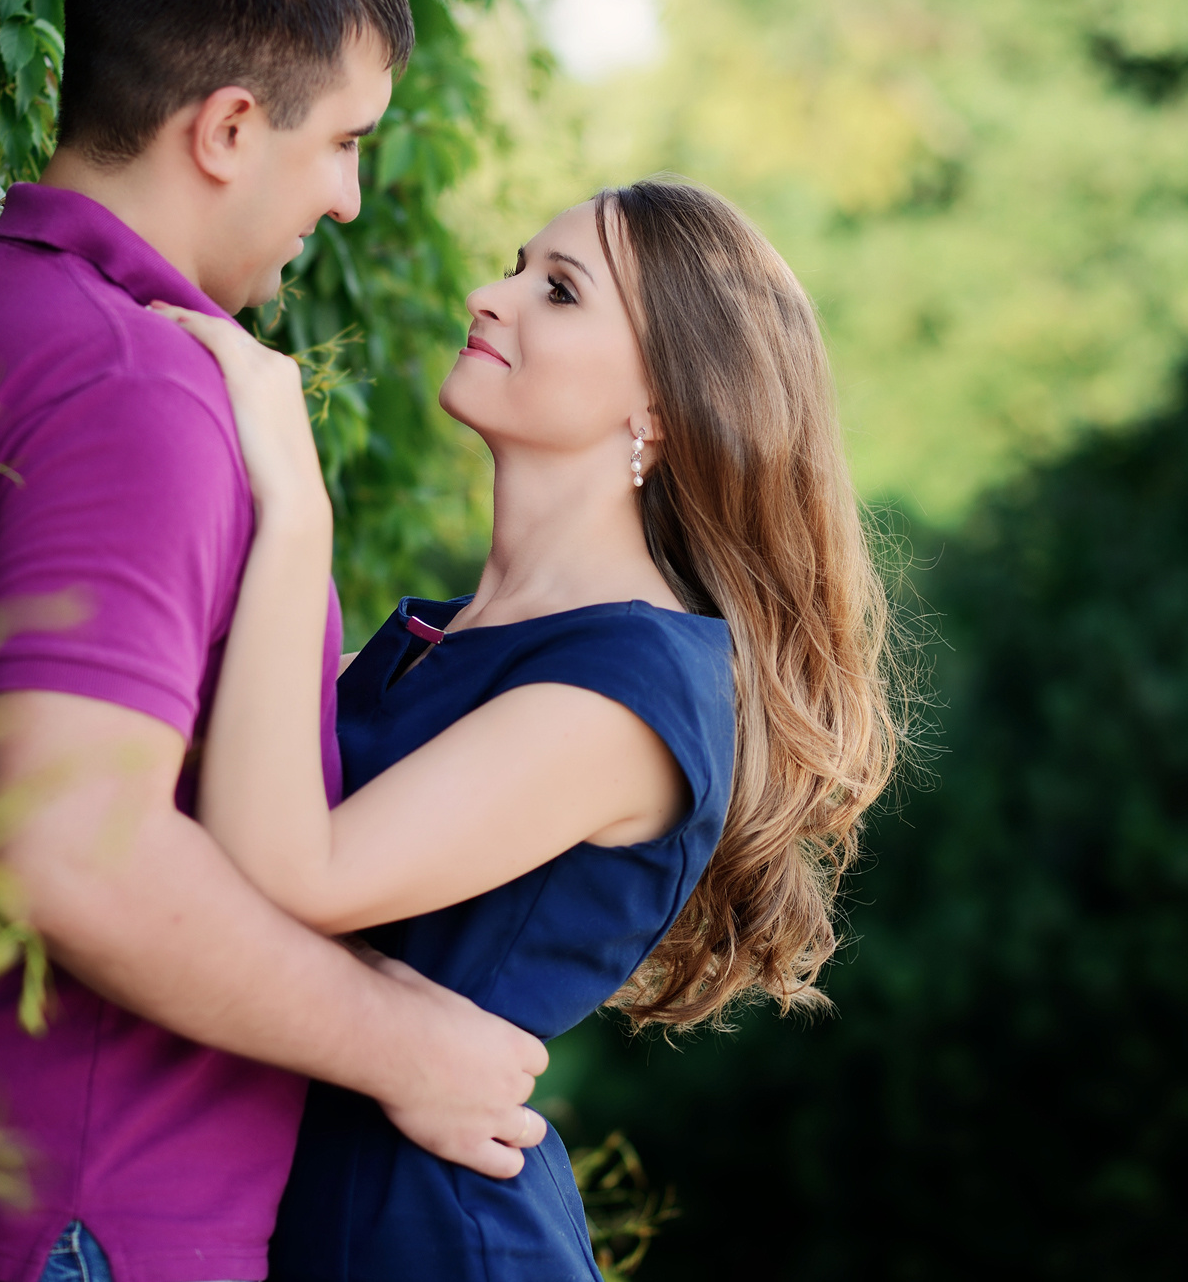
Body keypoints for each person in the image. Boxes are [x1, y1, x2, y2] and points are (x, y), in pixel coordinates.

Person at [0, 0, 549, 1282]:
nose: (346, 196)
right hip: (82, 1224)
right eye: (343, 143)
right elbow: (77, 848)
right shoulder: (132, 385)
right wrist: (412, 1047)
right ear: (227, 129)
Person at [153, 178, 900, 1280]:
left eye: (555, 290)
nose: (485, 296)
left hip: (431, 1244)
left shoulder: (633, 687)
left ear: (659, 409)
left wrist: (292, 500)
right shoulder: (428, 641)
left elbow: (292, 871)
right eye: (514, 266)